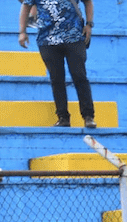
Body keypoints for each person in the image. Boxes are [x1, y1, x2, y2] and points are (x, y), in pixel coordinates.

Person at [16, 0, 95, 128]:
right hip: (47, 40)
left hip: (74, 37)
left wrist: (89, 24)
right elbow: (25, 7)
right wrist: (22, 32)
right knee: (56, 79)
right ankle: (63, 117)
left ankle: (88, 116)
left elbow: (88, 2)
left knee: (79, 75)